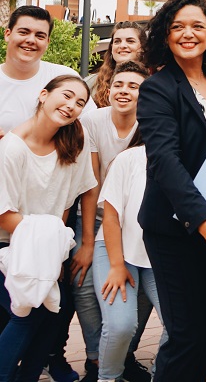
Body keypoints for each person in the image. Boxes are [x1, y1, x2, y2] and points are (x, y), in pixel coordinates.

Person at [137, 0, 206, 382]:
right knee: (184, 335)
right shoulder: (156, 88)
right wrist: (203, 221)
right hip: (177, 229)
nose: (188, 33)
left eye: (198, 26)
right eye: (178, 26)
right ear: (165, 35)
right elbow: (165, 162)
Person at [0, 75, 97, 381]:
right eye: (66, 96)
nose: (71, 106)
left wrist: (56, 251)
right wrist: (49, 242)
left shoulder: (72, 143)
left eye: (80, 102)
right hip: (8, 245)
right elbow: (4, 216)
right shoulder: (12, 148)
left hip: (48, 247)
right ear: (43, 95)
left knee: (57, 312)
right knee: (28, 313)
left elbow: (65, 202)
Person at [71, 61, 148, 381]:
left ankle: (123, 353)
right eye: (119, 84)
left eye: (134, 86)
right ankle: (95, 359)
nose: (124, 91)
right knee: (84, 283)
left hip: (133, 217)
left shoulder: (150, 123)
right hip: (93, 212)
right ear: (108, 89)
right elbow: (90, 187)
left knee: (138, 290)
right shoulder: (91, 121)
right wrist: (88, 242)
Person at [91, 130, 168, 382]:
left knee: (180, 324)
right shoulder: (129, 158)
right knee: (121, 324)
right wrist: (115, 265)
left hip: (157, 257)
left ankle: (163, 375)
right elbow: (111, 217)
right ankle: (108, 377)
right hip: (116, 250)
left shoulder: (182, 161)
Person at [1, 6, 87, 138]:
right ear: (7, 34)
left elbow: (89, 125)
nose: (30, 40)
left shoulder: (65, 78)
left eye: (39, 36)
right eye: (23, 32)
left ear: (47, 42)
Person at [86, 21, 146, 108]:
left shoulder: (153, 82)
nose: (122, 45)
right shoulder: (92, 82)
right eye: (117, 41)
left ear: (142, 48)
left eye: (130, 41)